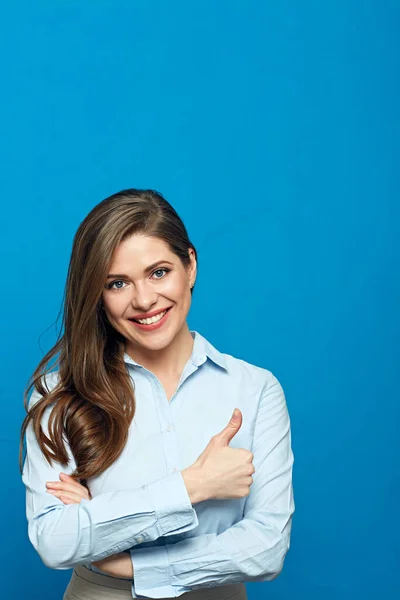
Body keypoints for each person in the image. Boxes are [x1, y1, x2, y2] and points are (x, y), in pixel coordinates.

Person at [19, 188, 295, 600]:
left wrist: (126, 558)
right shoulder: (58, 395)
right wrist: (193, 486)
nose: (144, 299)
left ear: (191, 266)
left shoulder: (254, 389)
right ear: (97, 294)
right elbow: (55, 541)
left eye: (159, 272)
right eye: (117, 283)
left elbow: (266, 548)